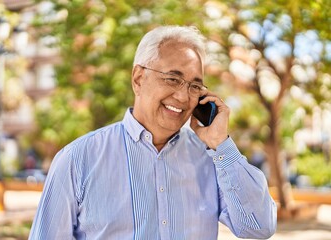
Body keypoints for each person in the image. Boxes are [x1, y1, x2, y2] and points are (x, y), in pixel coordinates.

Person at [29, 25, 277, 239]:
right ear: (138, 78)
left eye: (194, 86)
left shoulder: (214, 159)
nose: (182, 96)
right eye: (172, 79)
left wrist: (221, 145)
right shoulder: (77, 159)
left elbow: (259, 226)